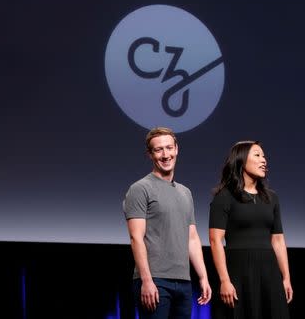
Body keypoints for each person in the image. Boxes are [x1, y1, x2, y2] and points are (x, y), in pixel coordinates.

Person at [123, 127, 212, 319]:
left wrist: (203, 277)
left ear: (177, 149)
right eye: (158, 150)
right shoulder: (140, 189)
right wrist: (146, 280)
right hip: (155, 281)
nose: (165, 155)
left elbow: (192, 238)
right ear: (150, 154)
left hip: (184, 282)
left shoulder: (185, 192)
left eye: (169, 148)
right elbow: (136, 238)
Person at [209, 140, 293, 319]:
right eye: (257, 155)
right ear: (241, 160)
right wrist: (225, 280)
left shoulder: (272, 198)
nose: (264, 160)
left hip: (269, 271)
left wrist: (285, 277)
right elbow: (215, 240)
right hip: (238, 271)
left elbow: (278, 240)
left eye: (264, 156)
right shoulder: (224, 197)